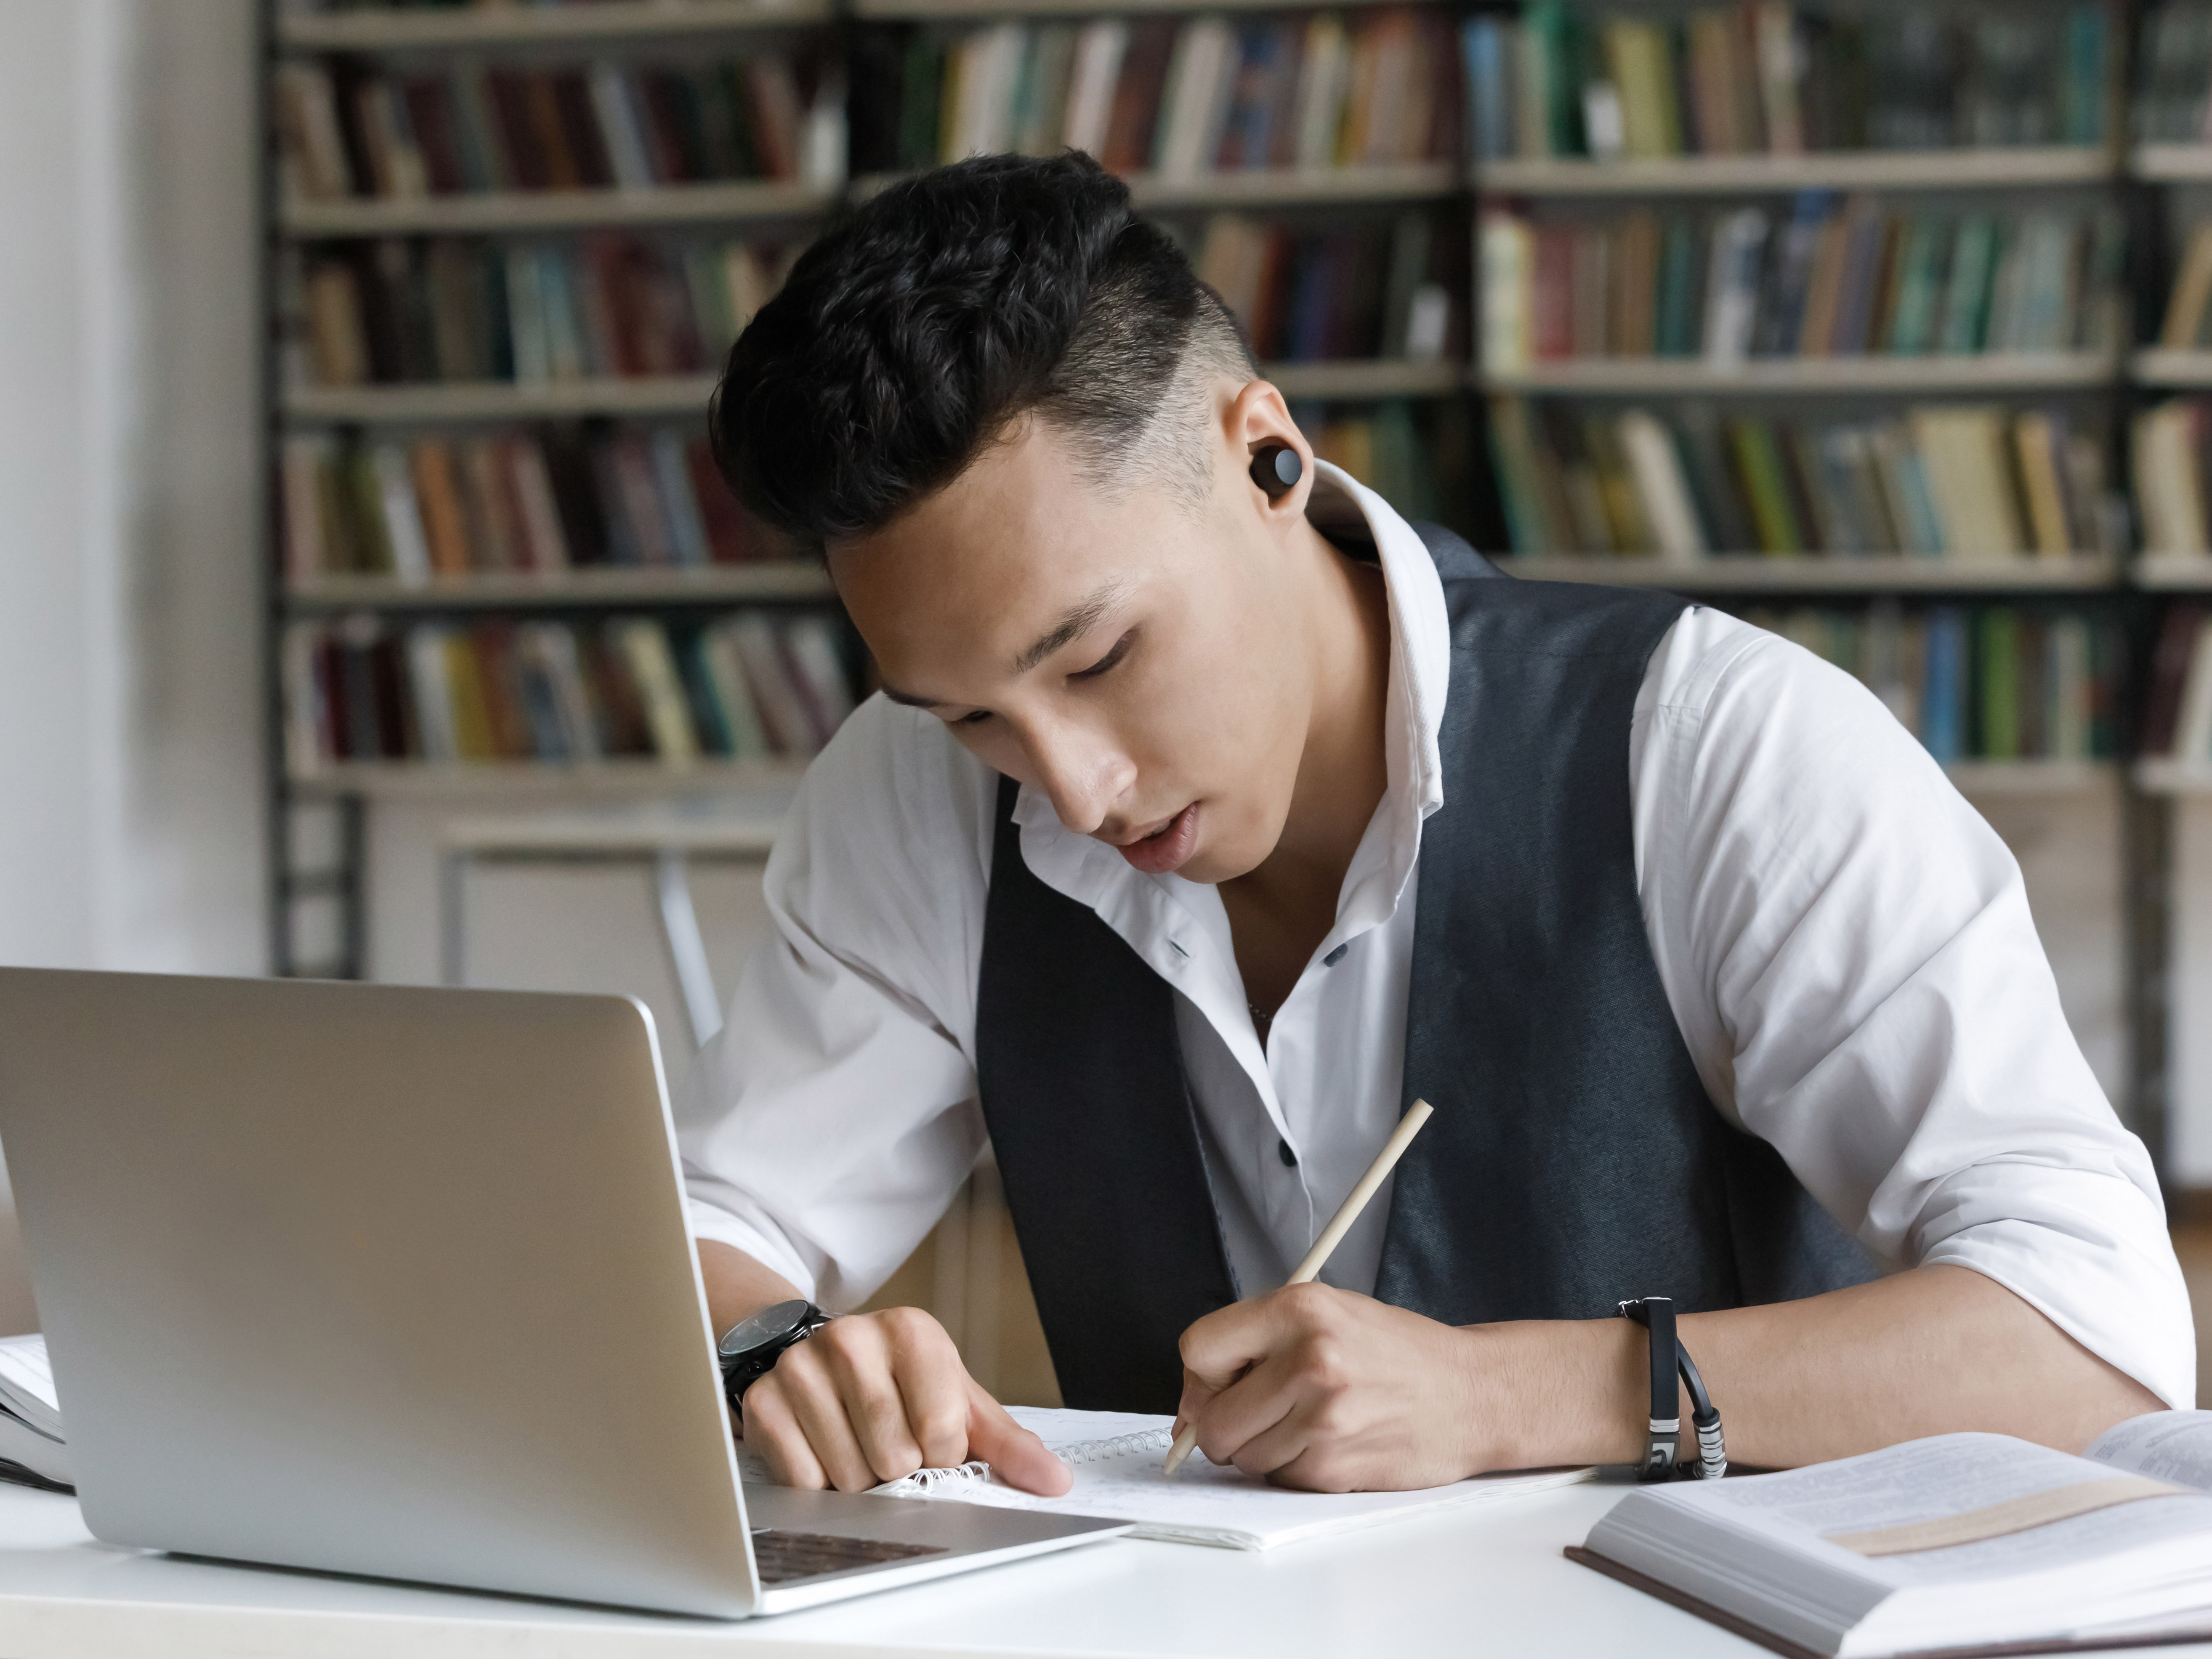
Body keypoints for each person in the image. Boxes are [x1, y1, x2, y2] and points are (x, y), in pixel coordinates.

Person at [679, 151, 2190, 1498]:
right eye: (973, 714)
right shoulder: (917, 793)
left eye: (1097, 659)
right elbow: (699, 1229)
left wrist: (1509, 1394)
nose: (1071, 790)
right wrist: (773, 1345)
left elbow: (2099, 1337)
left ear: (1265, 455)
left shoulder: (1716, 747)